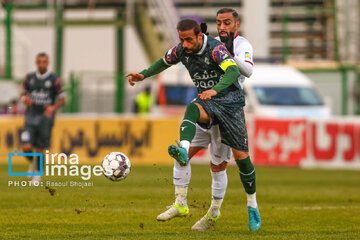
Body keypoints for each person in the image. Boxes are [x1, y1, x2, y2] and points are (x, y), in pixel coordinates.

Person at [126, 18, 259, 231]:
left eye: (189, 40)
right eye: (182, 40)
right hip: (206, 103)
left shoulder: (216, 50)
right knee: (190, 117)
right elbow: (163, 61)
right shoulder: (182, 49)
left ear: (199, 36)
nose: (185, 45)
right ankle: (180, 202)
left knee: (224, 165)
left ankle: (218, 212)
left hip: (228, 106)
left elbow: (233, 71)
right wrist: (143, 74)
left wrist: (215, 90)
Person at [21, 52, 66, 183]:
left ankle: (37, 175)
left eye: (44, 62)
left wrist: (53, 107)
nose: (42, 64)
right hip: (30, 116)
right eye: (39, 61)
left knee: (40, 148)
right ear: (36, 63)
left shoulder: (54, 79)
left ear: (48, 63)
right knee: (26, 147)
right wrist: (25, 99)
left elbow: (62, 99)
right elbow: (23, 94)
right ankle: (33, 163)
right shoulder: (29, 78)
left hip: (45, 118)